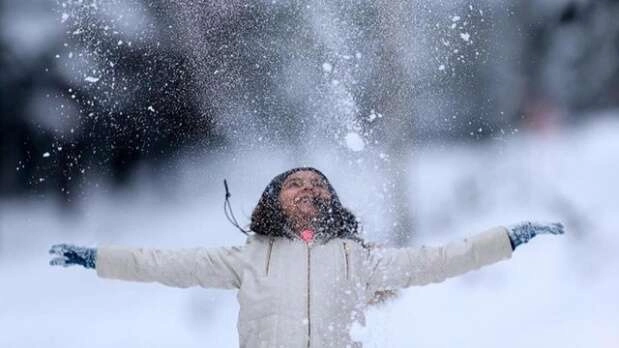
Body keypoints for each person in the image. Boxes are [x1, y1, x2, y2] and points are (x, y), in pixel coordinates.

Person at [49, 167, 564, 348]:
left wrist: (507, 238)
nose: (308, 189)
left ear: (332, 202)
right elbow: (160, 262)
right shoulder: (247, 258)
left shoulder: (358, 260)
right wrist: (96, 257)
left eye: (319, 184)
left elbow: (439, 259)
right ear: (274, 201)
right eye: (295, 183)